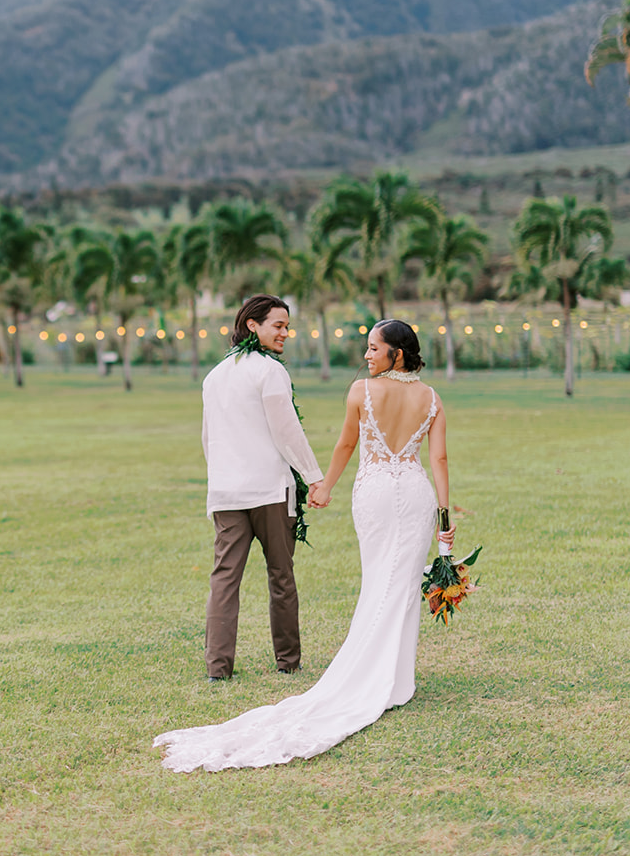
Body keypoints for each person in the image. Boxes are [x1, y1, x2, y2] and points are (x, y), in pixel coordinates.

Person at [155, 318, 457, 772]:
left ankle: (387, 677)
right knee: (398, 582)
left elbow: (346, 445)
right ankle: (395, 679)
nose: (367, 356)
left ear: (397, 353)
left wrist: (325, 487)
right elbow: (438, 459)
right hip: (415, 493)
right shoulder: (431, 399)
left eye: (374, 349)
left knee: (384, 581)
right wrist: (445, 518)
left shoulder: (361, 392)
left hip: (375, 492)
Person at [197, 294, 326, 682]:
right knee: (281, 577)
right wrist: (314, 476)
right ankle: (288, 661)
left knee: (224, 579)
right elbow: (287, 431)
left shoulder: (214, 376)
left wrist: (222, 476)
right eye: (278, 325)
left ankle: (217, 668)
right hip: (270, 491)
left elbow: (208, 439)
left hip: (226, 493)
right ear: (252, 325)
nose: (285, 333)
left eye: (287, 326)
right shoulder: (270, 371)